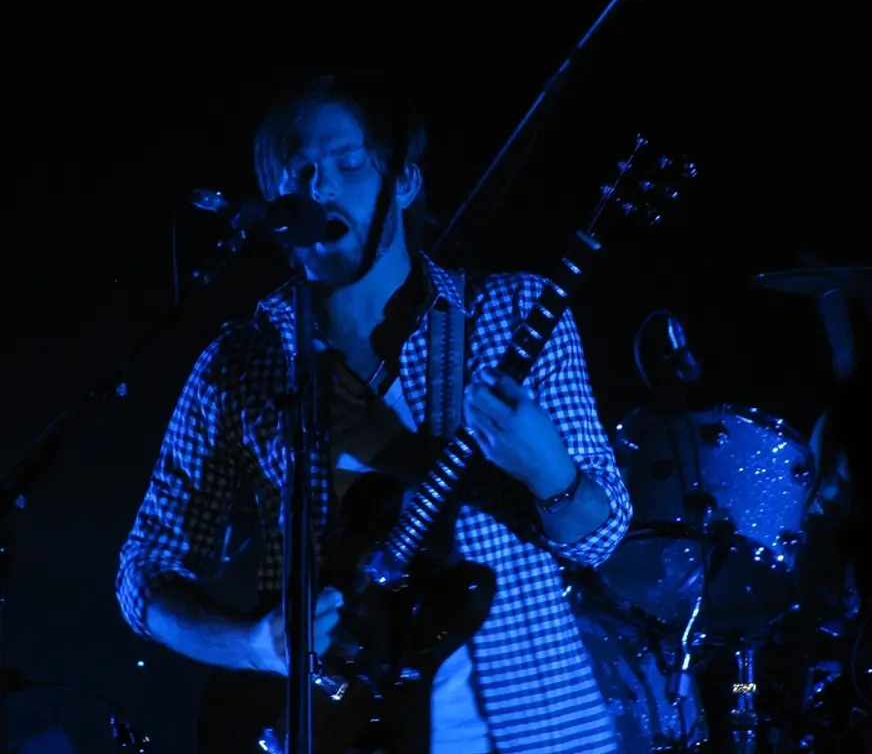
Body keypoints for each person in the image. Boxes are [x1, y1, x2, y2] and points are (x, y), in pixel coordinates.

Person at [115, 74, 633, 754]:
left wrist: (550, 470)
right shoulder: (238, 364)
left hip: (538, 731)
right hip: (338, 731)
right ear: (273, 202)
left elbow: (601, 536)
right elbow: (143, 572)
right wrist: (256, 645)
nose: (321, 187)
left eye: (348, 163)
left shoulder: (508, 315)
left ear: (407, 181)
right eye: (298, 172)